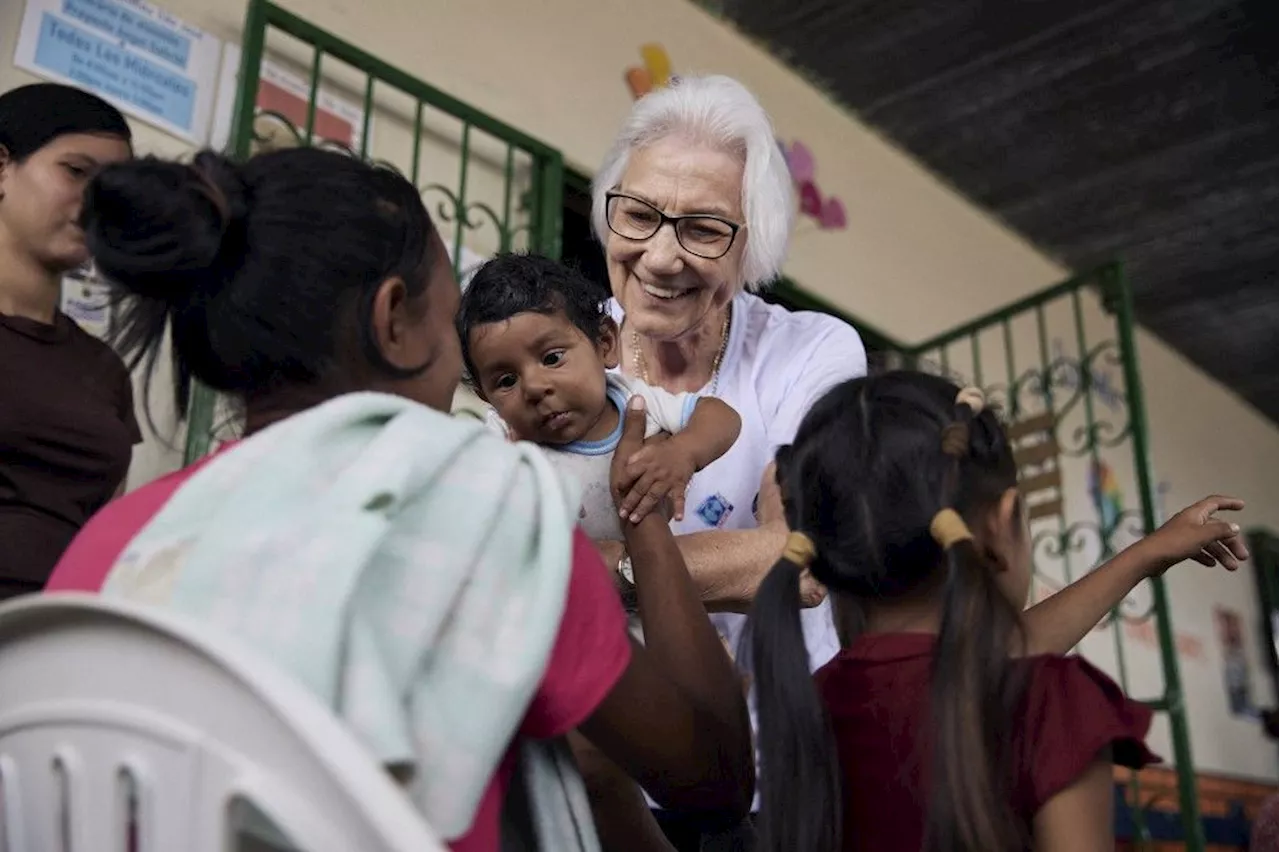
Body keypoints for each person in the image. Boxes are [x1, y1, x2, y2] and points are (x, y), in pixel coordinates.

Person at [584, 73, 1251, 850]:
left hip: (775, 777)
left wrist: (600, 567)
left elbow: (794, 557)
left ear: (752, 243)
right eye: (638, 214)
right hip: (605, 765)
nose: (661, 255)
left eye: (703, 228)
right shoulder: (552, 342)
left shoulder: (809, 350)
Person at [44, 147, 754, 851]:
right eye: (451, 329)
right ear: (394, 321)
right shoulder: (483, 521)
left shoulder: (111, 544)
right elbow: (715, 782)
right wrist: (646, 516)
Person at [748, 371, 1250, 852]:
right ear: (1002, 520)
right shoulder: (1051, 702)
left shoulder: (805, 702)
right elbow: (984, 669)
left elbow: (969, 665)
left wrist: (1144, 554)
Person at [457, 252, 742, 544]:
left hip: (637, 579)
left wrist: (683, 452)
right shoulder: (502, 439)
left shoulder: (635, 402)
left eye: (552, 358)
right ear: (486, 396)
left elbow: (721, 416)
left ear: (604, 343)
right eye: (506, 380)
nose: (533, 387)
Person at [0, 83, 137, 598]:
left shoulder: (104, 369)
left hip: (55, 642)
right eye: (77, 172)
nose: (95, 202)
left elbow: (104, 539)